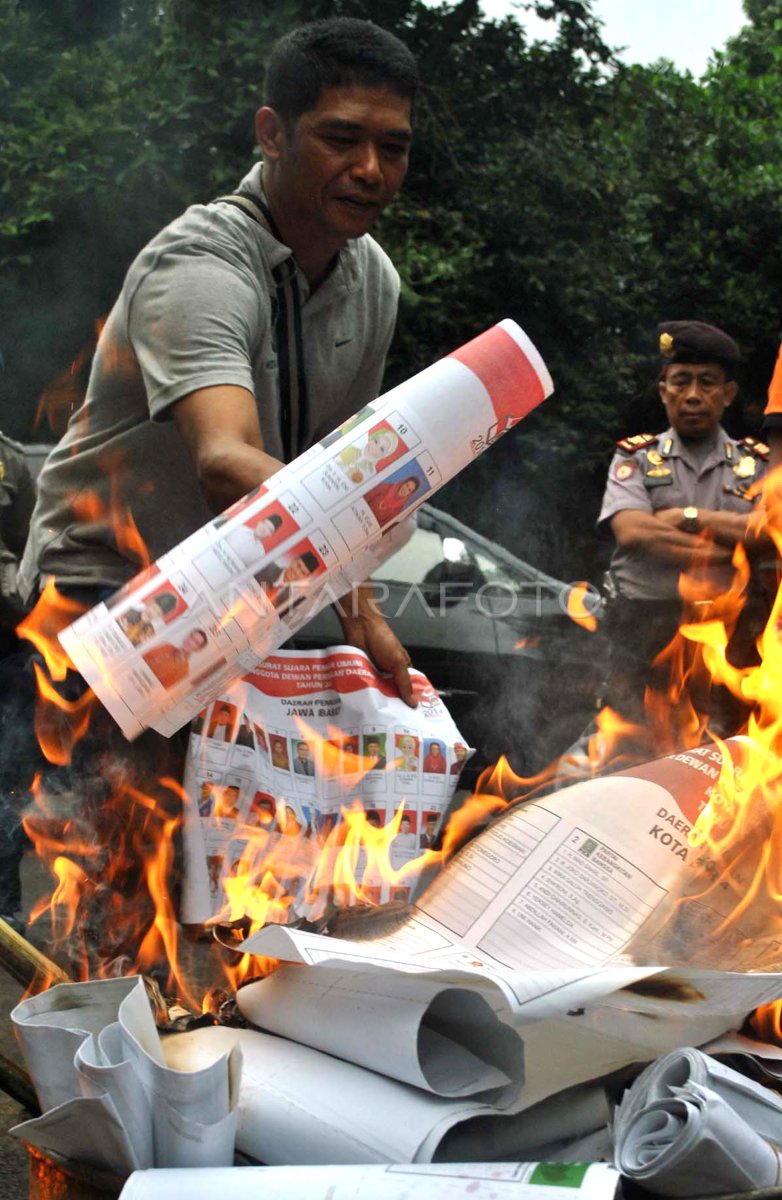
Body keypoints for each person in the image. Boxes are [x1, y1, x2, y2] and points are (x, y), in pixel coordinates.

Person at [14, 19, 419, 962]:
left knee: (221, 877)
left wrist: (364, 617)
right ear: (271, 132)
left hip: (230, 599)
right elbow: (228, 458)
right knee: (103, 876)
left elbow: (325, 479)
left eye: (391, 147)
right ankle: (78, 1078)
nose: (369, 168)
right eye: (340, 137)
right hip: (103, 594)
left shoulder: (375, 282)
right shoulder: (199, 267)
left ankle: (183, 1060)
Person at [596, 320, 771, 746]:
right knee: (627, 743)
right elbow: (634, 532)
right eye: (681, 382)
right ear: (663, 390)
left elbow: (769, 531)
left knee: (722, 748)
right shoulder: (635, 456)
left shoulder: (757, 464)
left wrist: (689, 516)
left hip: (727, 628)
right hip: (642, 626)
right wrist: (732, 549)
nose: (693, 395)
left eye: (707, 383)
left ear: (727, 394)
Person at [0, 432, 36, 929]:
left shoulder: (9, 458)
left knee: (8, 777)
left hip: (6, 642)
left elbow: (33, 536)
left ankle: (4, 907)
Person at [142, 629, 209, 690]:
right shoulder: (166, 646)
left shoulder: (183, 671)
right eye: (191, 637)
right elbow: (142, 659)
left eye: (196, 642)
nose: (190, 642)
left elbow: (161, 690)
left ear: (197, 649)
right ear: (187, 636)